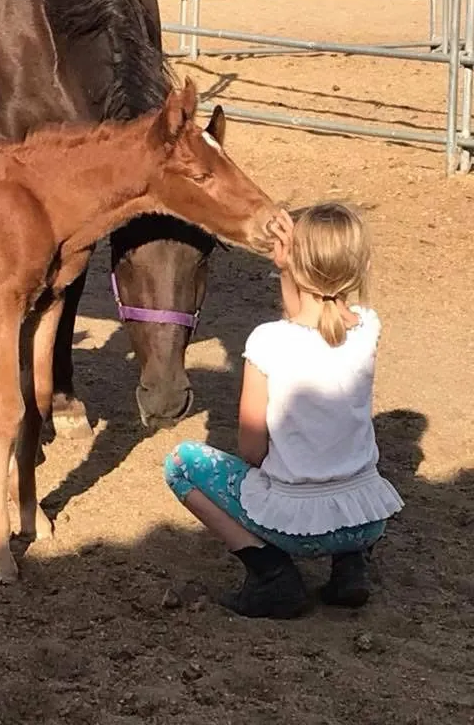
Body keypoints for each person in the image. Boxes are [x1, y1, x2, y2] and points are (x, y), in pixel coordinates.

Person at [164, 203, 403, 619]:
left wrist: (287, 266)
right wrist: (294, 266)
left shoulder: (267, 342)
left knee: (180, 465)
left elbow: (252, 450)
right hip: (366, 522)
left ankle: (272, 575)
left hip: (295, 527)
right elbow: (318, 316)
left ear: (295, 264)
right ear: (359, 265)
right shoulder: (368, 326)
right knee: (347, 454)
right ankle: (350, 566)